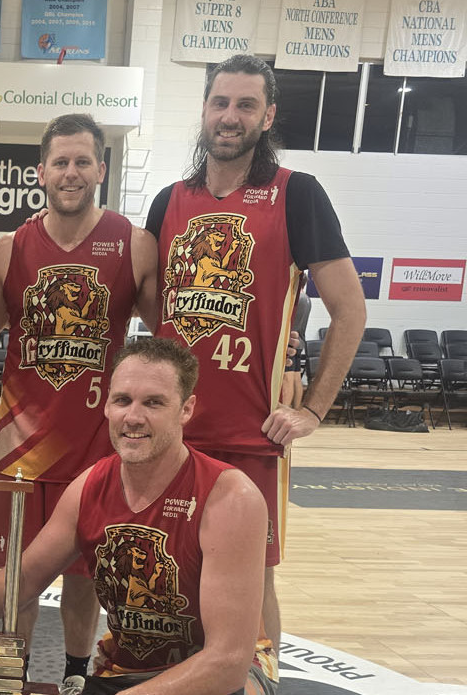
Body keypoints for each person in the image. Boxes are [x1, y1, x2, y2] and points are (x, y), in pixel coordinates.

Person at [145, 54, 367, 647]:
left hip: (252, 433)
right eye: (220, 102)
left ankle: (259, 685)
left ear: (267, 115)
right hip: (172, 435)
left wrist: (313, 409)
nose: (230, 116)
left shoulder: (298, 195)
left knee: (250, 584)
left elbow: (350, 310)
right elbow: (151, 305)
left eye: (246, 105)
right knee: (166, 578)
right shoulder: (169, 201)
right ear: (204, 111)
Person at [0, 337, 276, 695]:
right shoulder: (89, 486)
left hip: (222, 677)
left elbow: (227, 662)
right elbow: (28, 576)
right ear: (107, 405)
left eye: (154, 403)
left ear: (186, 409)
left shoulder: (231, 497)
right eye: (122, 400)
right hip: (125, 671)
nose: (133, 417)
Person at [0, 114, 158, 691]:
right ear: (41, 172)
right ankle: (13, 676)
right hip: (20, 443)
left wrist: (286, 345)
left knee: (87, 576)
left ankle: (75, 675)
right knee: (17, 573)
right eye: (60, 162)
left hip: (100, 445)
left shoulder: (135, 244)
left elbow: (177, 336)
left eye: (82, 161)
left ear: (101, 167)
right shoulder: (11, 248)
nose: (70, 173)